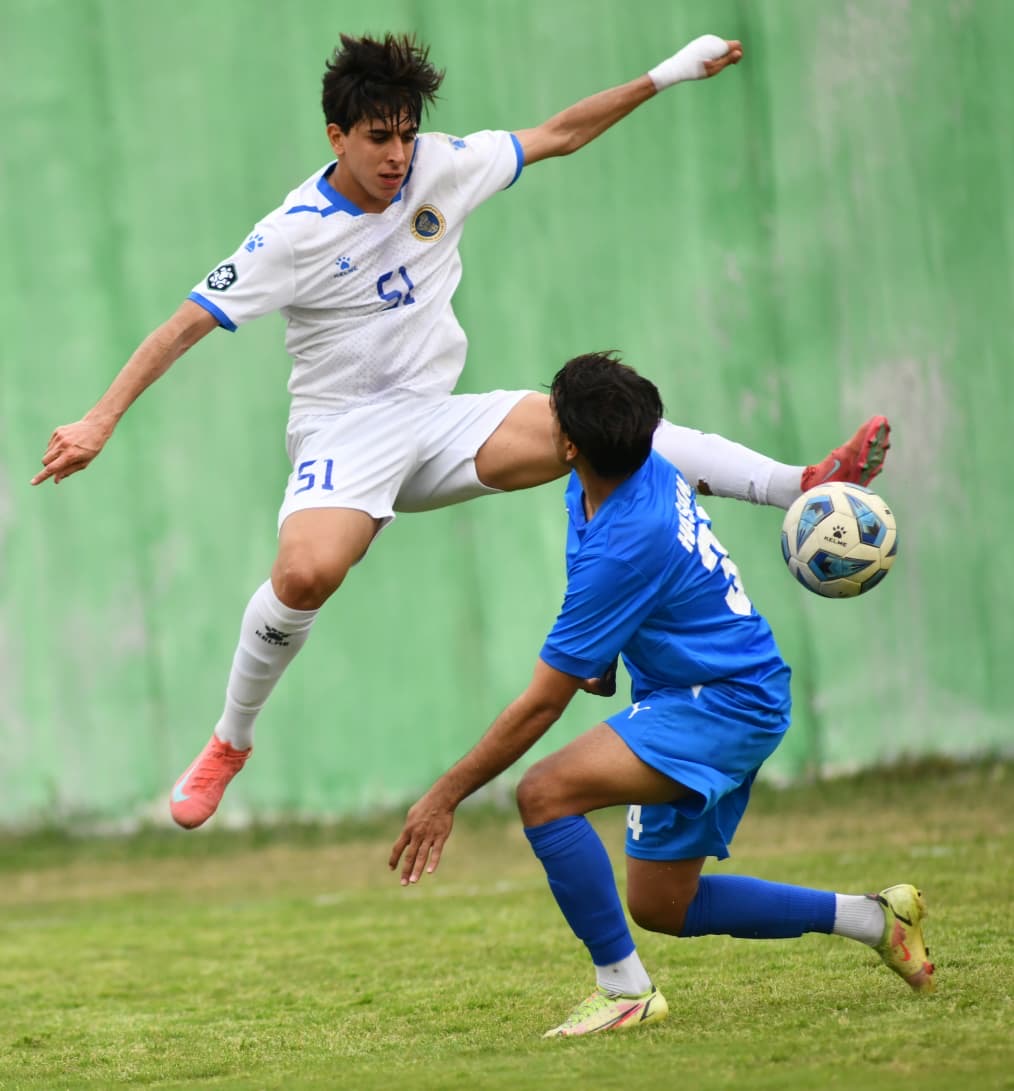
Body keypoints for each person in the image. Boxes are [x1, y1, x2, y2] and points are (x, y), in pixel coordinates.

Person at [30, 33, 890, 830]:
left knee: (602, 428)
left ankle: (799, 483)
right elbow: (186, 322)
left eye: (405, 134)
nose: (396, 155)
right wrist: (100, 417)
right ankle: (230, 738)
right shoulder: (291, 234)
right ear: (337, 136)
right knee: (307, 571)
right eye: (377, 138)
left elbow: (558, 134)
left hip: (442, 420)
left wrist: (668, 74)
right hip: (344, 434)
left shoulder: (443, 168)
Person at [390, 352, 931, 1038]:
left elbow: (540, 704)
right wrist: (607, 649)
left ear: (568, 444)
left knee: (544, 793)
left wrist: (444, 796)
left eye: (552, 411)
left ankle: (624, 990)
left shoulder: (625, 533)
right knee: (662, 903)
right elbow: (618, 585)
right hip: (700, 687)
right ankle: (878, 917)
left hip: (725, 701)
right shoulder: (622, 468)